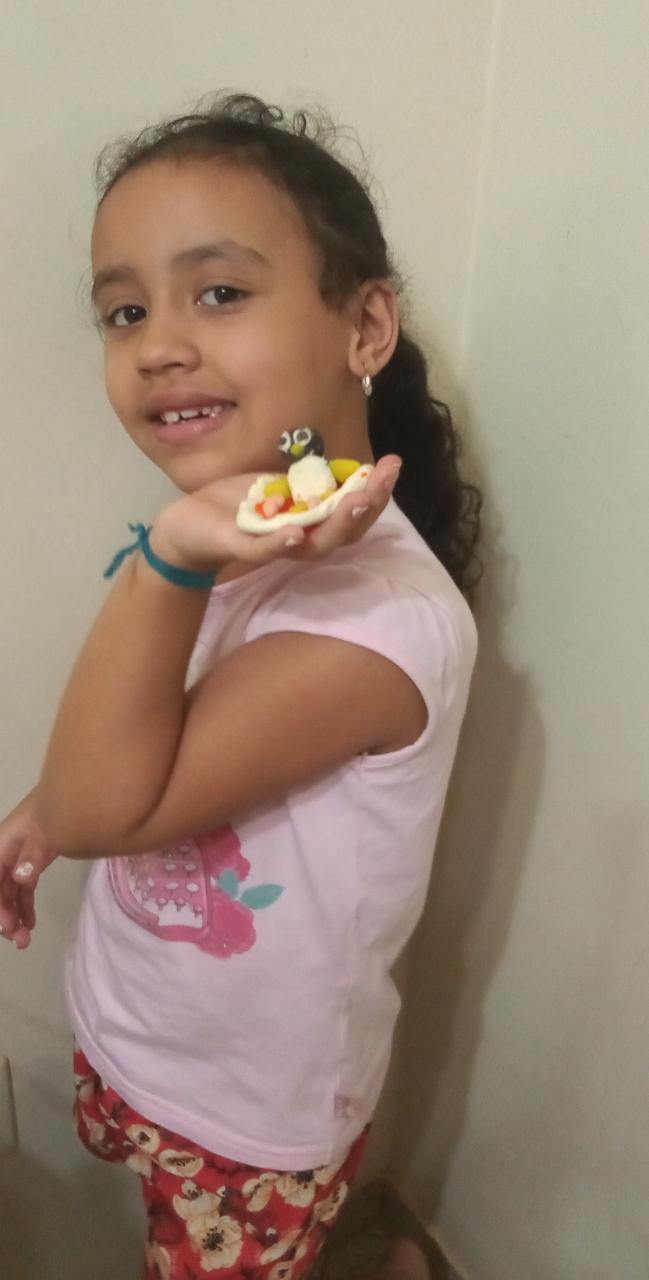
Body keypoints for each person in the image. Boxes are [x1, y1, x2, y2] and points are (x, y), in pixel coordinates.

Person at [0, 94, 482, 1279]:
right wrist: (47, 806)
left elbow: (108, 804)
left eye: (217, 291)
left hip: (242, 1118)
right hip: (150, 1026)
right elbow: (139, 740)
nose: (157, 342)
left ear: (365, 324)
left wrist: (168, 558)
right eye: (125, 309)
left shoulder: (373, 624)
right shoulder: (253, 515)